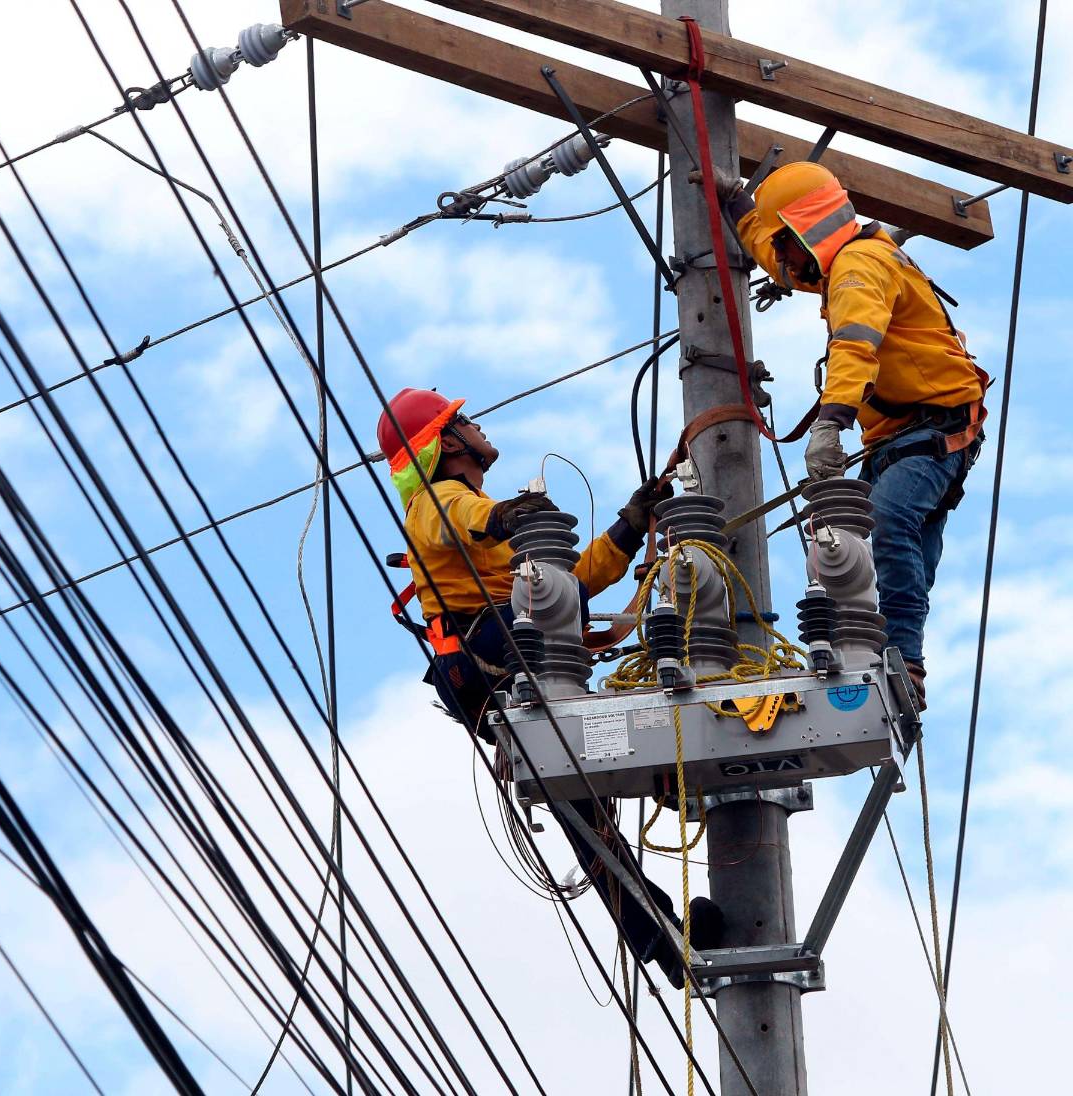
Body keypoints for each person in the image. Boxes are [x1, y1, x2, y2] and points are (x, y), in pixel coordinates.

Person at [377, 387, 722, 984]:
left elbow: (569, 587)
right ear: (446, 443)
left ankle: (667, 943)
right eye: (464, 420)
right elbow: (459, 521)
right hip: (483, 655)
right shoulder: (435, 504)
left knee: (587, 817)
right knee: (585, 811)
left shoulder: (483, 522)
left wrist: (629, 526)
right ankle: (665, 927)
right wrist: (504, 517)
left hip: (507, 650)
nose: (479, 427)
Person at [693, 161, 988, 708]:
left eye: (785, 242)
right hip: (905, 435)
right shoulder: (836, 262)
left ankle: (904, 659)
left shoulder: (858, 268)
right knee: (897, 545)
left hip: (934, 430)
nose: (782, 259)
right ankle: (895, 655)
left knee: (891, 524)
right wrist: (738, 205)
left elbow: (854, 346)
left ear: (805, 229)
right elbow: (781, 264)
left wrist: (830, 423)